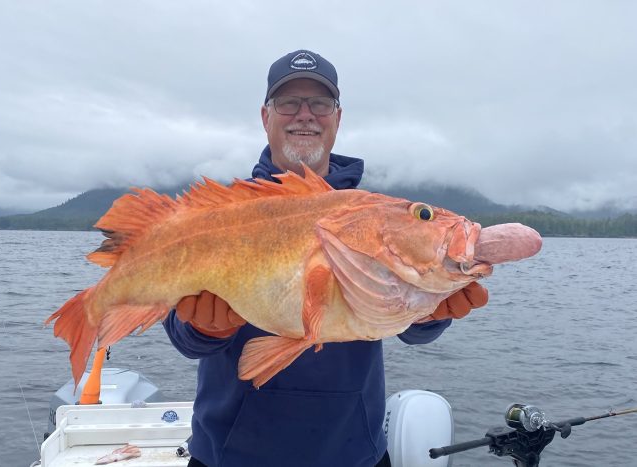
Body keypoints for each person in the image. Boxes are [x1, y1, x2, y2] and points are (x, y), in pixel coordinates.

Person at [163, 49, 488, 467]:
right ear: (266, 117)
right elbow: (182, 336)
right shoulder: (223, 216)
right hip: (230, 454)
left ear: (337, 117)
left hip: (352, 453)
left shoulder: (371, 213)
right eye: (288, 103)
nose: (305, 115)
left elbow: (411, 331)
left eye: (320, 103)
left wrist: (429, 312)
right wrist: (204, 329)